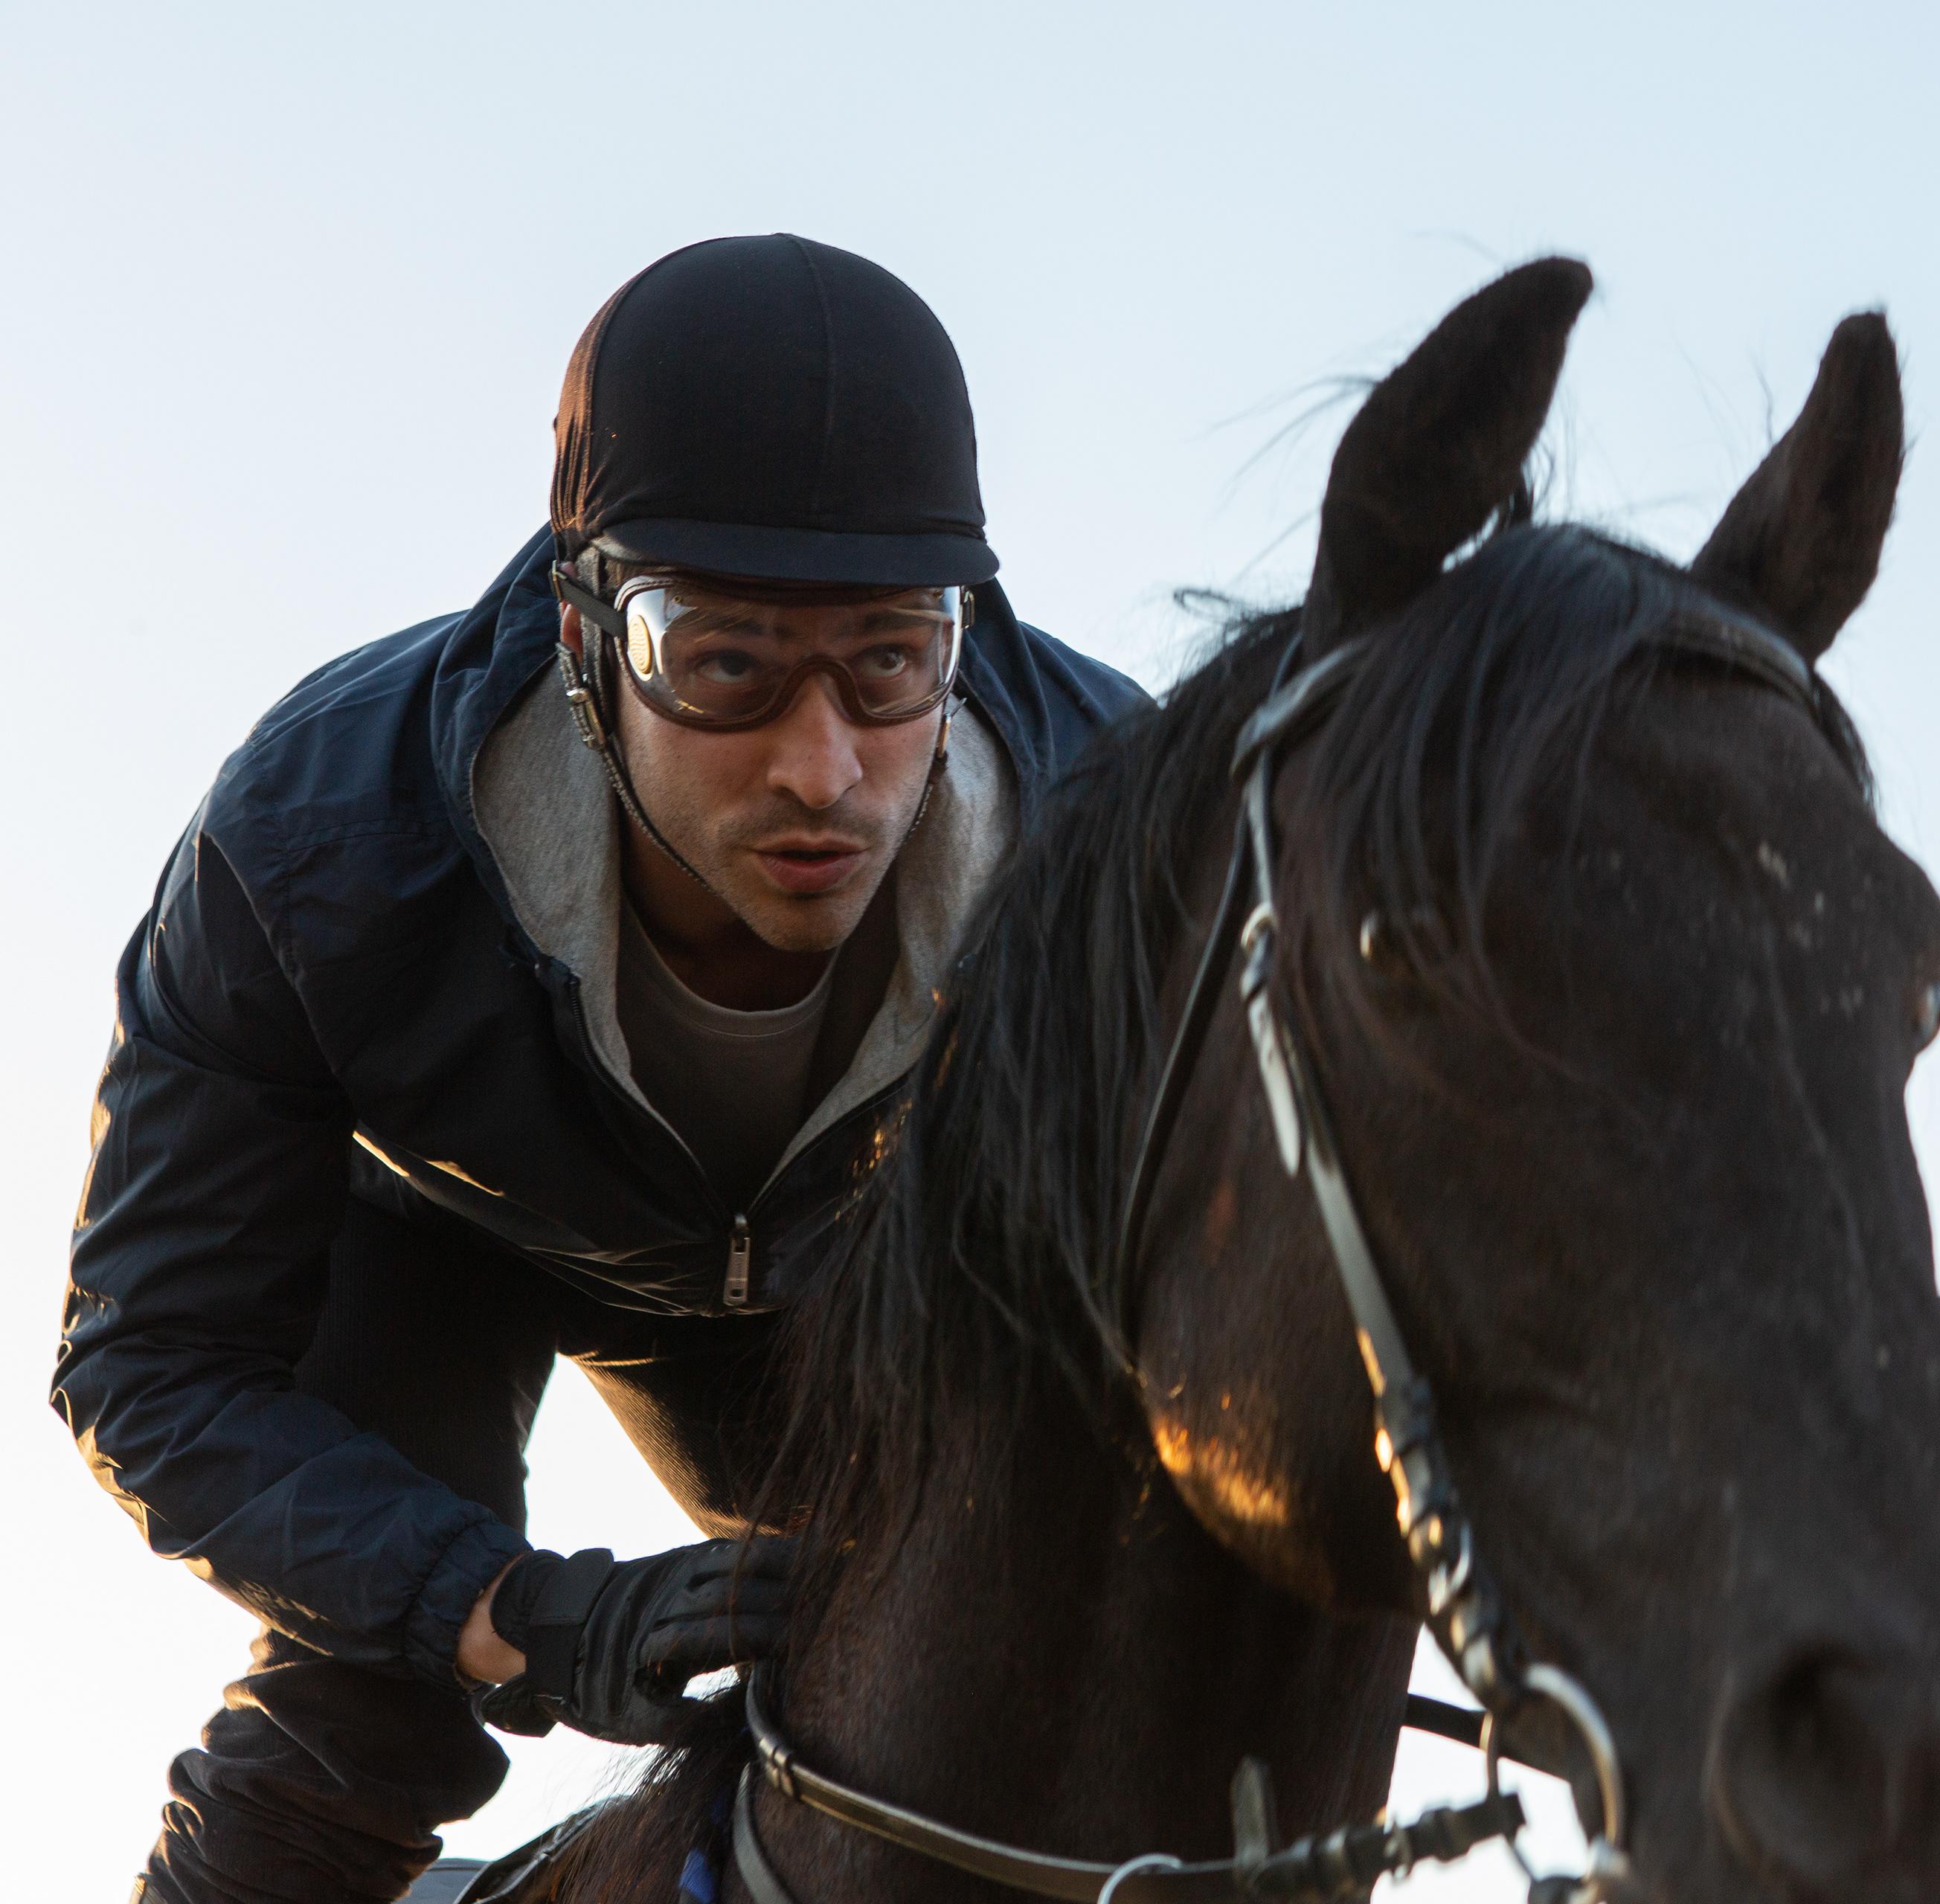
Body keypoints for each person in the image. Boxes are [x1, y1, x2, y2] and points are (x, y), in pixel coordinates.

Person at [53, 235, 1142, 1904]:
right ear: (581, 638)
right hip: (446, 1235)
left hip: (870, 1268)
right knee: (371, 1715)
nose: (824, 771)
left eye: (887, 662)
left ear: (962, 632)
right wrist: (520, 1611)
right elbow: (150, 1362)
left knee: (1005, 1666)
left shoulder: (1116, 832)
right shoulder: (310, 845)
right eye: (726, 666)